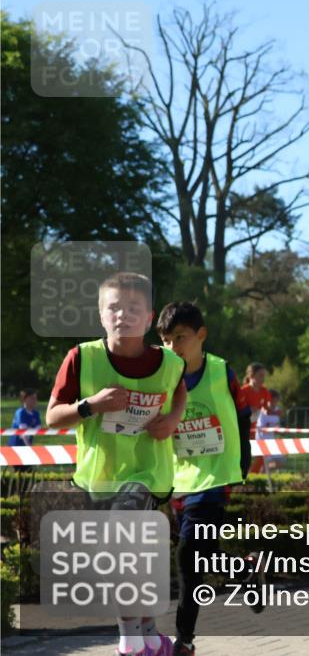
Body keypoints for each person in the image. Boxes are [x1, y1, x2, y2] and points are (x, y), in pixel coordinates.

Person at [45, 272, 186, 656]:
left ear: (148, 317)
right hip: (99, 476)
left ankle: (130, 643)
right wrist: (91, 405)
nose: (123, 314)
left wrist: (172, 420)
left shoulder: (169, 362)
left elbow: (180, 394)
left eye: (133, 308)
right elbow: (53, 417)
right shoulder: (81, 357)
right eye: (114, 307)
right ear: (101, 315)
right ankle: (152, 635)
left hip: (146, 473)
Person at [157, 302, 253, 656]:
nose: (173, 348)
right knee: (205, 556)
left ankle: (184, 640)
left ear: (201, 336)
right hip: (180, 477)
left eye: (180, 338)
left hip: (216, 476)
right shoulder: (163, 376)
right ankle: (243, 572)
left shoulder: (222, 371)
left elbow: (243, 414)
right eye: (166, 340)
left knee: (187, 556)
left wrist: (245, 456)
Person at [239, 365, 270, 474]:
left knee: (261, 455)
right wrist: (248, 410)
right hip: (242, 430)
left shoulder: (264, 391)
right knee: (244, 457)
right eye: (260, 375)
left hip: (257, 431)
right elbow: (236, 410)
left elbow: (267, 409)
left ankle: (252, 477)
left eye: (264, 376)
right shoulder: (243, 391)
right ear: (251, 376)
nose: (263, 379)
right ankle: (243, 478)